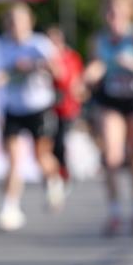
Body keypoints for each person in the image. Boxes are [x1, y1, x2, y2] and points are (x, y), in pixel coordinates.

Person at [84, 0, 133, 236]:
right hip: (111, 101)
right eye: (108, 12)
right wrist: (89, 75)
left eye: (116, 12)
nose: (112, 17)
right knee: (112, 156)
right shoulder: (99, 39)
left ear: (127, 12)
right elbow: (96, 66)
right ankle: (115, 212)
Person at [0, 3, 65, 232]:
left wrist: (33, 66)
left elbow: (59, 71)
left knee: (40, 156)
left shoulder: (39, 44)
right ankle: (9, 208)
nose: (15, 25)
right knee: (13, 161)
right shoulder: (1, 46)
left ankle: (54, 181)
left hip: (39, 107)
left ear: (29, 22)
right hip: (13, 109)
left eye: (19, 20)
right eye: (11, 21)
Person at [46, 26, 84, 183]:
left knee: (61, 141)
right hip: (48, 107)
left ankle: (63, 172)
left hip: (67, 106)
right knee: (50, 142)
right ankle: (55, 174)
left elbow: (72, 80)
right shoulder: (43, 58)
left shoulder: (71, 57)